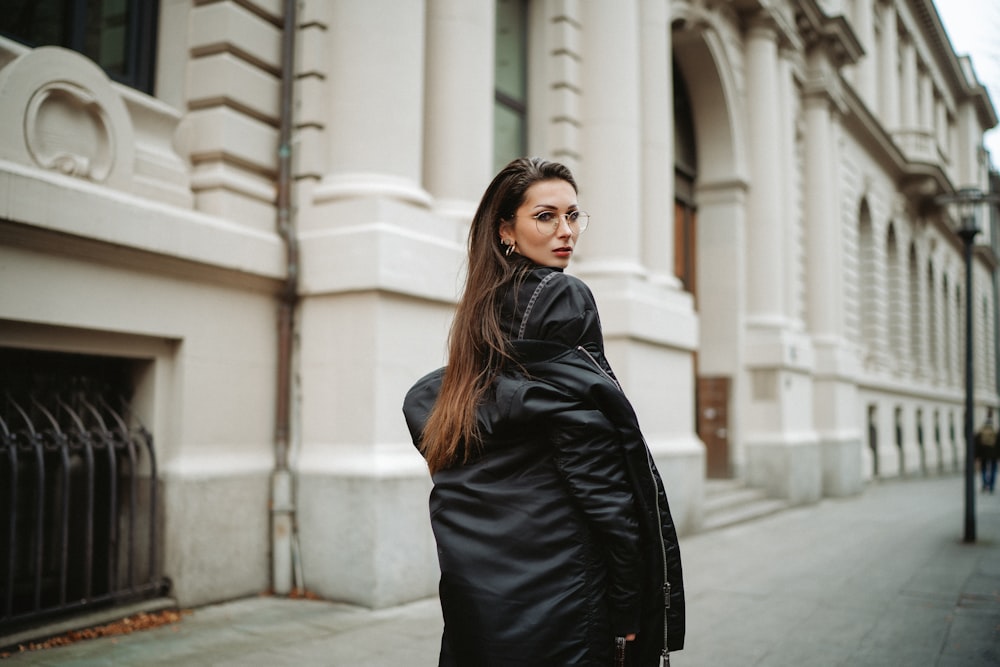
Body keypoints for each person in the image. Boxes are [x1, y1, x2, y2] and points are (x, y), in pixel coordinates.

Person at [403, 157, 685, 666]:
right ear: (506, 230)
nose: (566, 232)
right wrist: (629, 606)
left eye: (573, 216)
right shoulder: (562, 297)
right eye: (546, 216)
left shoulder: (482, 308)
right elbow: (598, 475)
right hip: (564, 589)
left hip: (489, 594)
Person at [975, 410, 997, 493]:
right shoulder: (995, 432)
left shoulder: (981, 433)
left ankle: (985, 483)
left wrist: (976, 456)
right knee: (993, 470)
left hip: (983, 454)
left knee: (983, 469)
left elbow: (977, 445)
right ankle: (991, 485)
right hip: (994, 455)